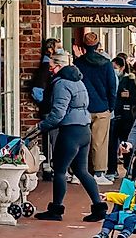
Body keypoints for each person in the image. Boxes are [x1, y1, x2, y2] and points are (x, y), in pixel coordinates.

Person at [34, 50, 102, 221]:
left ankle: (56, 210)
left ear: (58, 66)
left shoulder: (61, 84)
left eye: (51, 66)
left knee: (60, 170)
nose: (49, 69)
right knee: (81, 171)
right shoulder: (79, 81)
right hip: (84, 129)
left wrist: (42, 126)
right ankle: (99, 207)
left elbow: (58, 113)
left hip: (70, 131)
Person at [74, 31, 120, 183]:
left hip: (82, 107)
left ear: (84, 46)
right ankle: (99, 173)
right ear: (98, 45)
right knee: (100, 142)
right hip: (102, 106)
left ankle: (80, 171)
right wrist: (111, 106)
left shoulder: (78, 63)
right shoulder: (106, 64)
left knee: (81, 140)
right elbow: (112, 87)